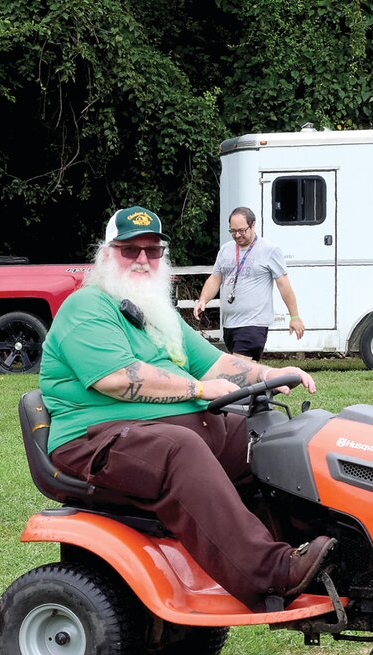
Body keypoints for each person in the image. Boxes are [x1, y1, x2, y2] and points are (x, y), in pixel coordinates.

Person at [39, 206, 334, 606]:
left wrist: (268, 374)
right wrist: (196, 388)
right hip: (95, 438)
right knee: (181, 448)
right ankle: (273, 572)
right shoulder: (88, 306)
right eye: (130, 250)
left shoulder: (154, 312)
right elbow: (118, 378)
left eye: (153, 250)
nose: (143, 259)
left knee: (267, 436)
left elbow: (216, 363)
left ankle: (322, 550)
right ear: (107, 254)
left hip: (168, 429)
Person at [192, 206, 304, 360]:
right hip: (230, 324)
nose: (237, 235)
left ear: (252, 225)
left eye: (241, 230)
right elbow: (215, 278)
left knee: (238, 372)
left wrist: (294, 317)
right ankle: (272, 384)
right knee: (248, 375)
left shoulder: (269, 250)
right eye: (233, 231)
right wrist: (203, 300)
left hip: (254, 324)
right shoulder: (225, 250)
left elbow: (284, 285)